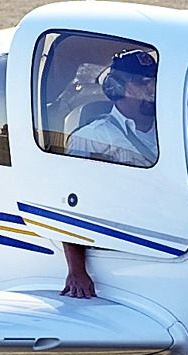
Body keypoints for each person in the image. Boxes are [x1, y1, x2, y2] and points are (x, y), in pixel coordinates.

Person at [60, 49, 157, 298]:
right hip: (118, 252)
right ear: (116, 87)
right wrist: (77, 271)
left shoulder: (173, 134)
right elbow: (72, 205)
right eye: (141, 82)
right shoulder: (91, 138)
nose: (151, 89)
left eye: (154, 81)